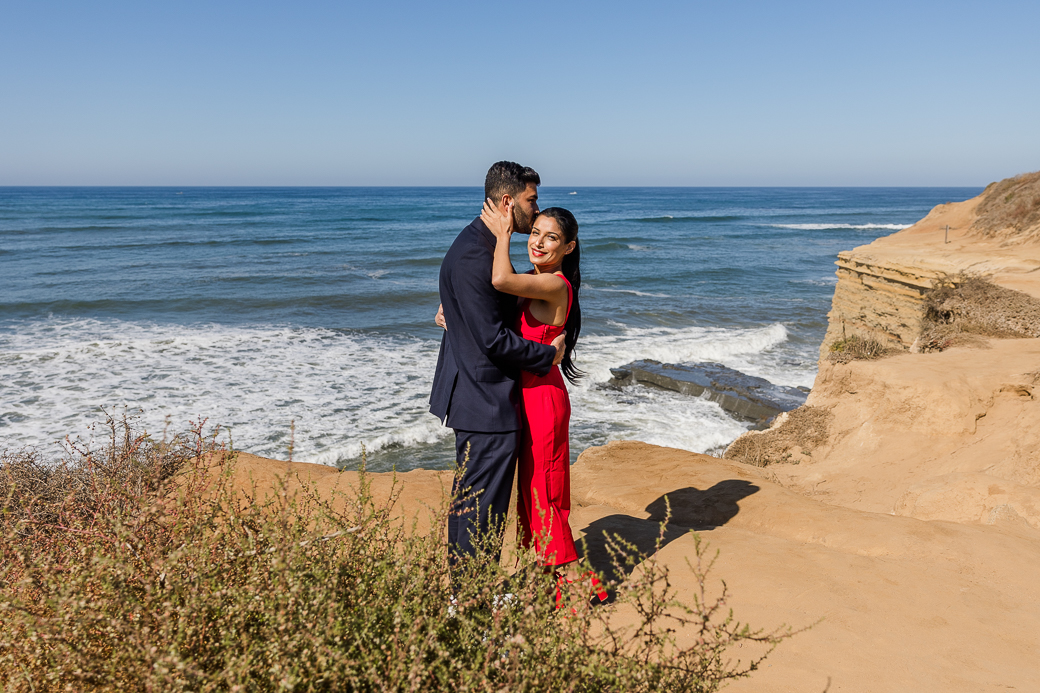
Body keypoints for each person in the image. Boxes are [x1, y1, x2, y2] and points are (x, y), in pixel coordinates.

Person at [429, 162, 566, 579]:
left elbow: (487, 310)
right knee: (481, 511)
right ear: (508, 202)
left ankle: (460, 593)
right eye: (531, 200)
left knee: (470, 503)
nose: (535, 208)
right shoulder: (478, 256)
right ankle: (470, 599)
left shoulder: (481, 247)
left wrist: (452, 310)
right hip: (484, 401)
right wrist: (548, 356)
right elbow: (493, 340)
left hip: (473, 395)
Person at [480, 199, 607, 607]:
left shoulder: (554, 284)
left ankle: (580, 589)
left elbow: (499, 279)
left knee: (543, 493)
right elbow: (495, 308)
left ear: (568, 247)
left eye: (550, 237)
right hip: (526, 397)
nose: (538, 242)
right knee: (532, 491)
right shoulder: (533, 280)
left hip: (543, 400)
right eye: (534, 232)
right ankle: (559, 580)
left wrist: (502, 233)